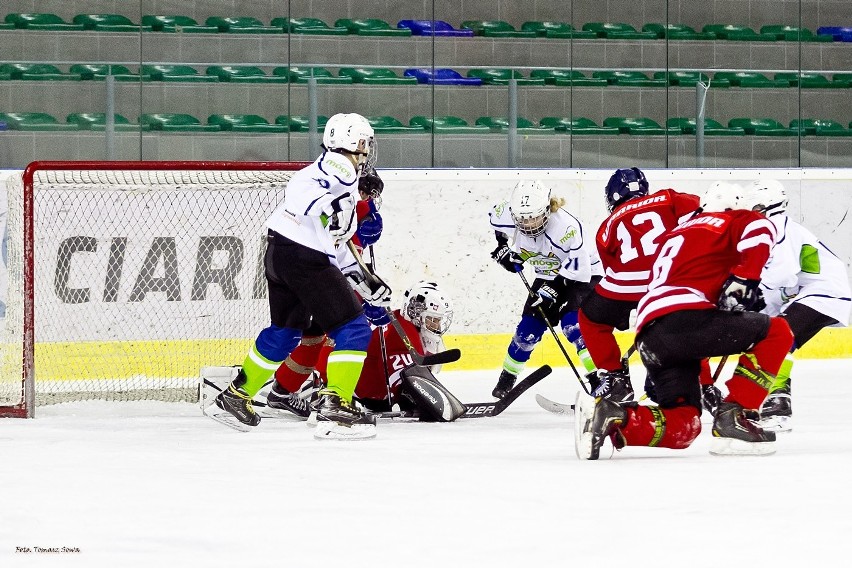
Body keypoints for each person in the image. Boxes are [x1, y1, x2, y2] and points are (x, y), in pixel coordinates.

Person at [204, 113, 391, 440]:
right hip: (304, 258)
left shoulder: (341, 181)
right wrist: (332, 202)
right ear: (349, 142)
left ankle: (236, 396)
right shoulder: (341, 167)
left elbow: (336, 242)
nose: (366, 151)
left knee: (284, 333)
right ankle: (336, 407)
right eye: (363, 143)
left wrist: (366, 283)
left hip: (281, 252)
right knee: (354, 328)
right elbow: (300, 191)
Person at [575, 192, 795, 459]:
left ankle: (615, 416)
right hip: (683, 318)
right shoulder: (728, 219)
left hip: (650, 334)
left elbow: (695, 287)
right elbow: (761, 227)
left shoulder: (675, 235)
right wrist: (746, 277)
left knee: (685, 424)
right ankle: (734, 415)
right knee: (778, 332)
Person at [265, 166, 385, 418]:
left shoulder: (345, 211)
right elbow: (340, 263)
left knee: (312, 337)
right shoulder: (349, 211)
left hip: (305, 272)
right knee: (343, 332)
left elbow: (348, 262)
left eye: (372, 195)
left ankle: (284, 391)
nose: (368, 199)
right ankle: (331, 395)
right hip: (313, 276)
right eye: (366, 192)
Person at [578, 167, 701, 403]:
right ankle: (700, 383)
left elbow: (611, 268)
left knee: (590, 319)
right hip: (666, 279)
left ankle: (616, 379)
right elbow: (699, 209)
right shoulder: (667, 197)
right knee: (684, 322)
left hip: (625, 283)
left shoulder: (608, 224)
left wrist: (622, 310)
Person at [737, 178, 851, 432]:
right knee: (770, 339)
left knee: (779, 338)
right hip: (811, 293)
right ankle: (765, 399)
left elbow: (785, 272)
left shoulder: (776, 225)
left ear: (765, 205)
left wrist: (753, 296)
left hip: (824, 292)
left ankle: (778, 403)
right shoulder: (771, 228)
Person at [488, 180, 602, 399]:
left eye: (534, 218)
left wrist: (554, 291)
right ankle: (508, 376)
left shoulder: (565, 229)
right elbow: (497, 226)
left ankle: (599, 378)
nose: (528, 224)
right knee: (527, 330)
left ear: (547, 211)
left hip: (584, 274)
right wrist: (503, 249)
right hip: (548, 274)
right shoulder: (509, 212)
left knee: (574, 326)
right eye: (523, 219)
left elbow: (579, 267)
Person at [274, 281, 454, 416]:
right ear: (416, 312)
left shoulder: (404, 326)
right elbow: (398, 379)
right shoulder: (403, 333)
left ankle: (320, 389)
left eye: (437, 321)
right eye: (433, 319)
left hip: (352, 383)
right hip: (356, 388)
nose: (437, 326)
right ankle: (322, 392)